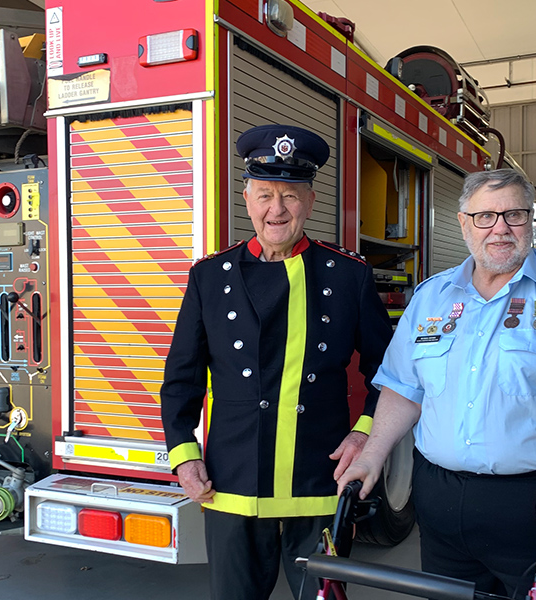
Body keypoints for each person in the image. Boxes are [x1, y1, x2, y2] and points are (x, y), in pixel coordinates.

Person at [337, 168, 536, 600]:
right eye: (486, 216)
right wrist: (373, 453)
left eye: (514, 215)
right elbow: (402, 387)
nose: (501, 229)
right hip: (444, 509)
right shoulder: (432, 297)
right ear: (464, 223)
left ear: (531, 221)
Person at [160, 124, 392, 600]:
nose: (277, 209)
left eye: (290, 195)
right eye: (265, 194)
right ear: (247, 198)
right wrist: (184, 456)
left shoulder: (349, 275)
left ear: (310, 200)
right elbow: (180, 379)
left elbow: (387, 372)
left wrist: (365, 432)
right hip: (231, 483)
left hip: (320, 480)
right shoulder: (209, 276)